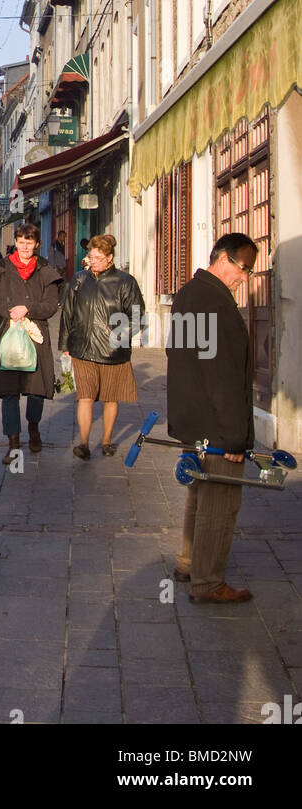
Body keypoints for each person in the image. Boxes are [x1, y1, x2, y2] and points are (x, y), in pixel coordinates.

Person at [166, 233, 258, 604]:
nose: (245, 277)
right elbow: (222, 376)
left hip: (194, 418)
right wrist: (236, 437)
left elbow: (179, 354)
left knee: (199, 494)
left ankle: (188, 563)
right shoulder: (216, 303)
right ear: (222, 259)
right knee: (219, 502)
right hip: (217, 425)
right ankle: (208, 582)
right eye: (243, 268)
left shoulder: (189, 293)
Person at [0, 222, 64, 460]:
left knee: (36, 390)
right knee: (10, 392)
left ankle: (34, 428)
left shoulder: (45, 269)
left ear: (36, 244)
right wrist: (10, 310)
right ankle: (13, 442)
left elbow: (51, 305)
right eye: (21, 241)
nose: (25, 246)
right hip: (8, 337)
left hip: (36, 336)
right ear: (15, 243)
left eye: (29, 242)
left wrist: (27, 308)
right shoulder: (2, 267)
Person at [59, 233, 145, 459]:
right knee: (84, 396)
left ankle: (107, 440)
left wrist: (119, 337)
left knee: (111, 396)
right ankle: (84, 442)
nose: (92, 261)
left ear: (110, 258)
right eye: (90, 257)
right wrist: (65, 343)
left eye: (98, 257)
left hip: (112, 351)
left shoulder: (125, 282)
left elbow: (137, 316)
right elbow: (67, 313)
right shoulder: (79, 280)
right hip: (83, 347)